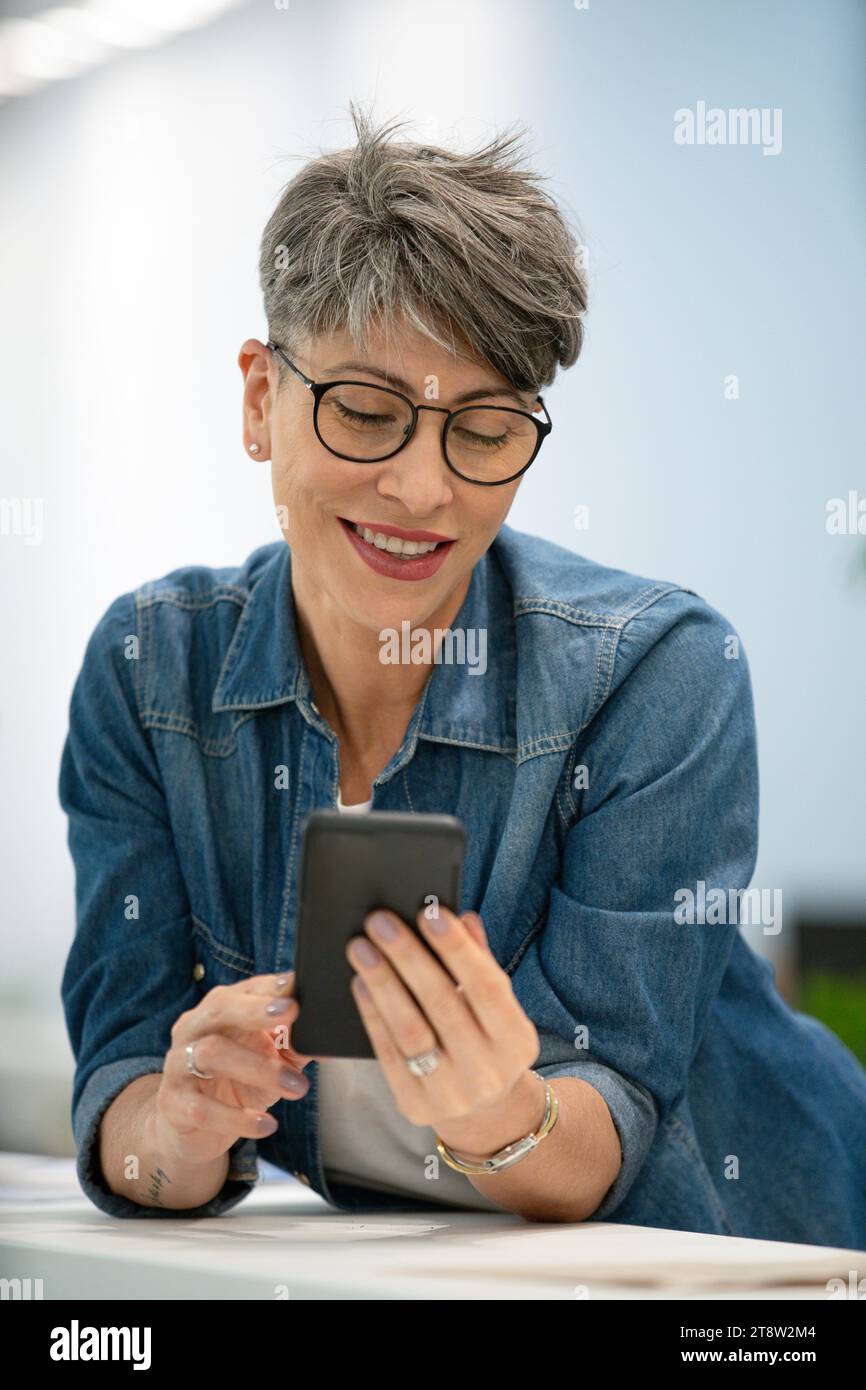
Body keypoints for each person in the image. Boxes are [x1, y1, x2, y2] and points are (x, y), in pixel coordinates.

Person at [60, 104, 866, 1244]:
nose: (423, 490)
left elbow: (604, 1129)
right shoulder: (150, 673)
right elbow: (126, 1091)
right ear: (259, 399)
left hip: (744, 1260)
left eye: (482, 429)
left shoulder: (653, 674)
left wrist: (500, 1110)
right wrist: (180, 1123)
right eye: (365, 411)